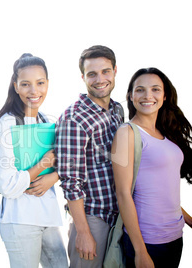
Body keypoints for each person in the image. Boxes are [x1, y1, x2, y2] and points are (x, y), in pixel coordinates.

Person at [0, 53, 67, 268]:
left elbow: (64, 161)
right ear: (16, 86)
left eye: (40, 83)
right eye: (26, 84)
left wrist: (54, 176)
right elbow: (8, 186)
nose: (34, 91)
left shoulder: (45, 121)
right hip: (20, 220)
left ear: (48, 84)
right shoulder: (7, 124)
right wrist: (42, 165)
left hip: (48, 217)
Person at [111, 67, 192, 268]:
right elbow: (123, 193)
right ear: (130, 96)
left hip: (174, 235)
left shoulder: (165, 134)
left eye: (155, 89)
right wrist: (140, 251)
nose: (148, 95)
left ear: (165, 96)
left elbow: (163, 190)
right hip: (148, 241)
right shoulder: (126, 133)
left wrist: (189, 219)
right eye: (140, 90)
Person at [55, 45, 123, 267]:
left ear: (115, 71)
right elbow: (71, 181)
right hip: (92, 219)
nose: (99, 79)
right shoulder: (74, 118)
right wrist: (83, 232)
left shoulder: (117, 110)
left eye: (105, 71)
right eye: (92, 74)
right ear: (83, 77)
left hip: (117, 218)